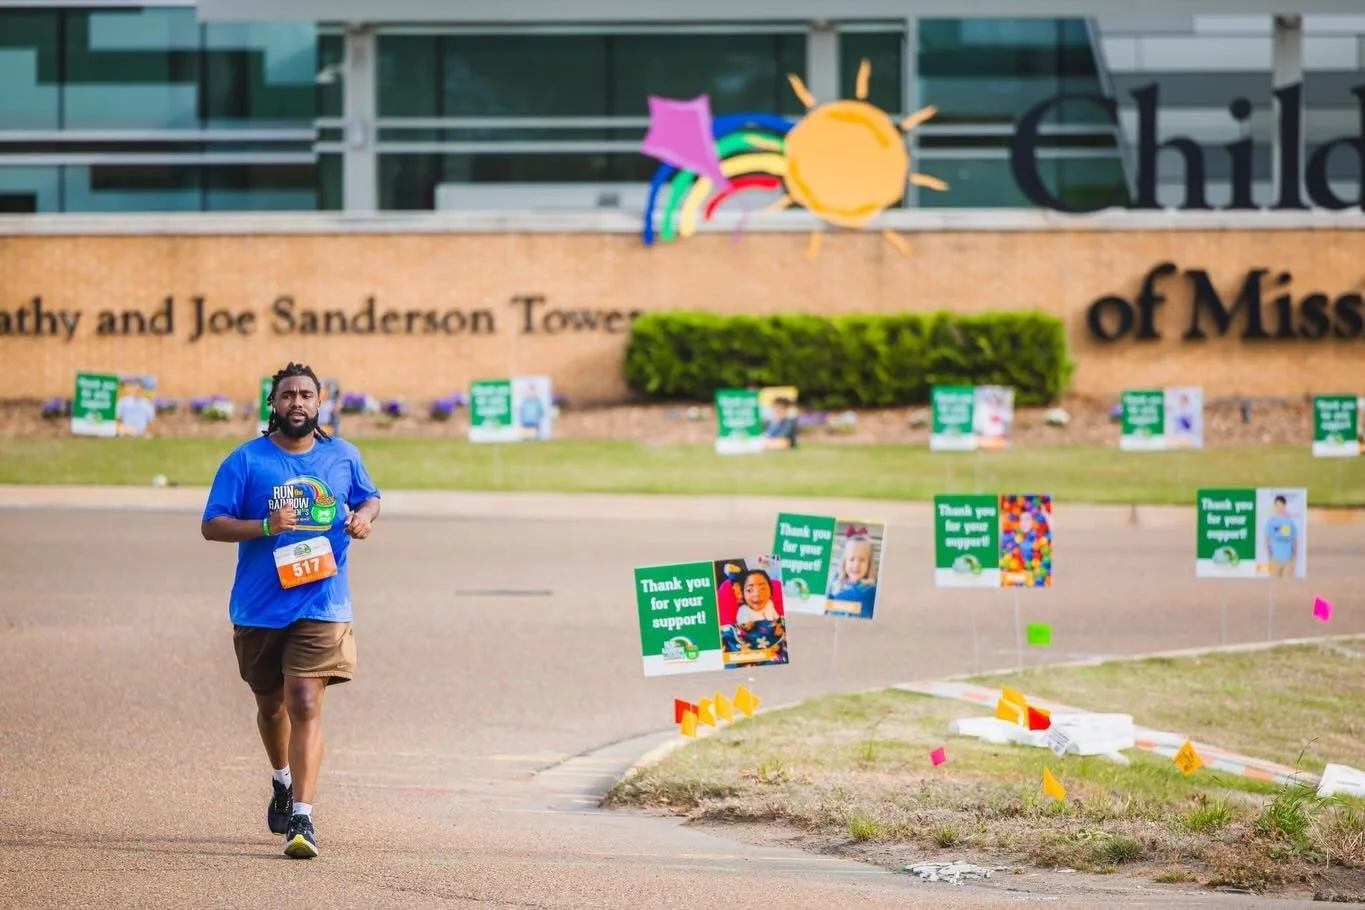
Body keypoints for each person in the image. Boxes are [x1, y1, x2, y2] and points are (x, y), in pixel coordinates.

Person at [200, 362, 381, 860]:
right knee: (271, 707)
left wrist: (363, 518)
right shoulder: (246, 460)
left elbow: (369, 499)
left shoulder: (343, 456)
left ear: (320, 402)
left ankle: (302, 816)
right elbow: (212, 525)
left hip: (323, 600)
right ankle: (281, 779)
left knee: (303, 702)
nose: (296, 403)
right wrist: (265, 525)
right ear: (273, 404)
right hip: (260, 606)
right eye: (287, 395)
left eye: (305, 395)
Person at [825, 534, 878, 618]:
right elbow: (826, 608)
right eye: (852, 559)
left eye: (862, 560)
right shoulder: (837, 584)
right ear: (845, 562)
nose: (856, 564)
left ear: (869, 564)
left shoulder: (871, 589)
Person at [1264, 494, 1299, 578]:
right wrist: (1269, 555)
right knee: (1274, 583)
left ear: (1284, 505)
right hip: (1275, 559)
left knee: (1288, 584)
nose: (1279, 507)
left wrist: (1294, 556)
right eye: (1277, 505)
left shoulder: (1290, 522)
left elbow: (1294, 540)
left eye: (1281, 505)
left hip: (1288, 559)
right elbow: (1266, 539)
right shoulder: (1271, 522)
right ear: (1275, 506)